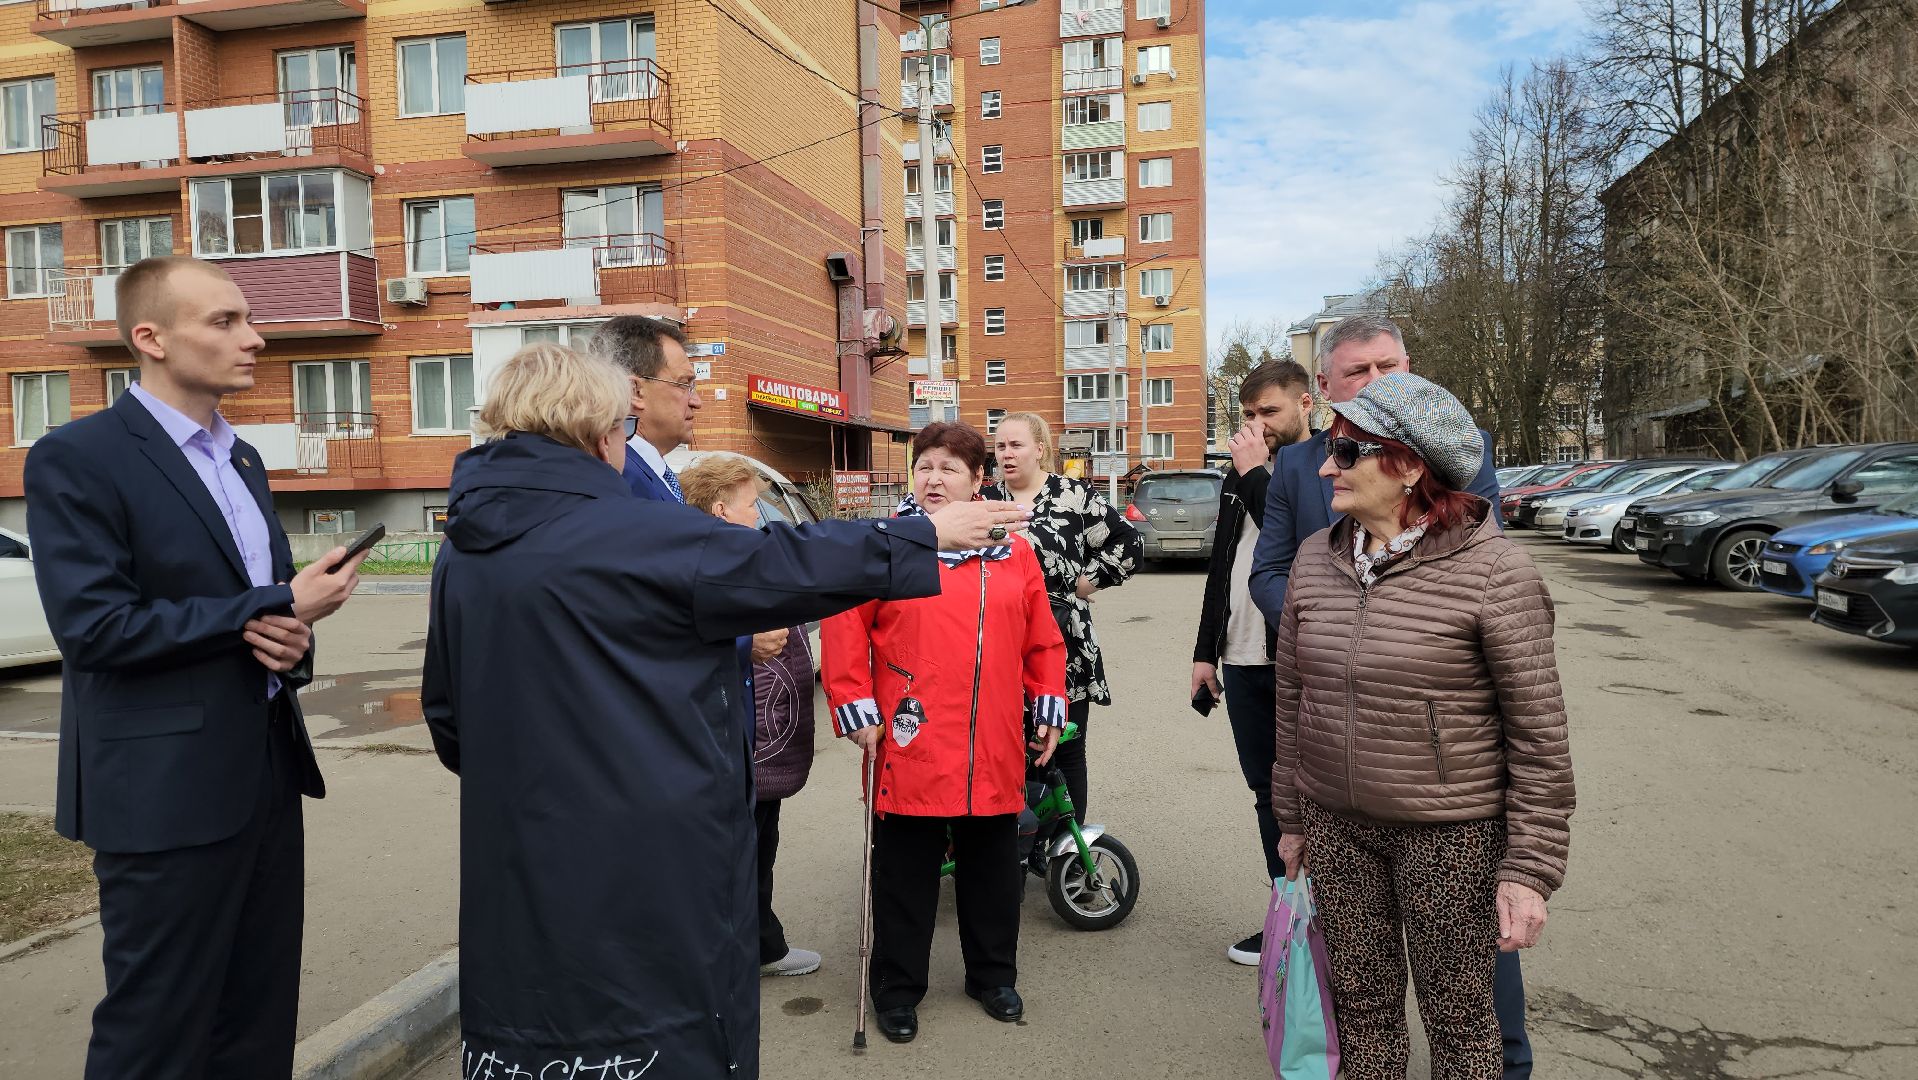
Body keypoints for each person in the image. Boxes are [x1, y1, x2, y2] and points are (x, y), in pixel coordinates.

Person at [420, 347, 1030, 1078]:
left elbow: (450, 716)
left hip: (516, 855)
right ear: (597, 430)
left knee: (539, 1026)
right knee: (660, 1025)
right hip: (646, 851)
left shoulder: (463, 549)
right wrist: (924, 534)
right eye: (623, 420)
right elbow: (785, 562)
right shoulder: (635, 533)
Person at [22, 255, 366, 1079]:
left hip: (265, 774)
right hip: (161, 793)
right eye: (225, 322)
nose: (255, 338)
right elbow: (96, 629)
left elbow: (258, 615)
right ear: (150, 338)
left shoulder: (241, 458)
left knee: (257, 1019)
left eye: (248, 319)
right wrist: (270, 605)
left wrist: (294, 640)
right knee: (159, 1032)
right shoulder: (79, 456)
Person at [1246, 314, 1535, 1078]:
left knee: (1463, 1020)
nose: (1326, 466)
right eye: (1333, 442)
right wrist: (1294, 820)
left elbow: (1536, 732)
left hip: (1447, 828)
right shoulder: (1317, 555)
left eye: (1348, 452)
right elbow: (1294, 700)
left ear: (1410, 467)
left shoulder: (1492, 567)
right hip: (1340, 825)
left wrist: (1528, 867)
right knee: (1363, 1010)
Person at [822, 422, 1068, 1045]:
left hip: (991, 739)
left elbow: (1042, 636)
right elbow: (846, 625)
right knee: (905, 869)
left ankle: (993, 976)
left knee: (993, 866)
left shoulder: (1015, 552)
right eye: (924, 466)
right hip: (912, 735)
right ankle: (897, 988)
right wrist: (853, 702)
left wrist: (1047, 700)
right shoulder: (884, 544)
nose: (933, 479)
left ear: (979, 481)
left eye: (949, 469)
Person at [1188, 358, 1313, 966]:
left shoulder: (1321, 467)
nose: (1258, 424)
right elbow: (1223, 562)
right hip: (1240, 657)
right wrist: (1204, 650)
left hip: (1296, 656)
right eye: (1248, 415)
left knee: (1308, 796)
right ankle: (1288, 918)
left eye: (1270, 412)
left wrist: (1258, 472)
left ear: (1305, 405)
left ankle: (1331, 924)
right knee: (1265, 793)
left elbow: (1308, 541)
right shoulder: (1244, 472)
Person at [678, 454, 822, 979]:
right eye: (752, 505)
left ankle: (760, 943)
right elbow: (684, 641)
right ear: (721, 510)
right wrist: (745, 642)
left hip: (763, 739)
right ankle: (737, 955)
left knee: (761, 842)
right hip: (736, 738)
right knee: (737, 852)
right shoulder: (707, 564)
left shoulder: (740, 558)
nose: (761, 515)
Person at [982, 412, 1140, 822]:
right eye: (1000, 446)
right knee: (1008, 748)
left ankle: (1068, 852)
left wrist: (1088, 582)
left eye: (1016, 445)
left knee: (1067, 748)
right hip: (1001, 642)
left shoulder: (1073, 495)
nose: (1007, 455)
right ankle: (1016, 845)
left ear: (1040, 449)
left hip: (1064, 638)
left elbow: (1128, 541)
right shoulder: (983, 503)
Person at [588, 314, 698, 503]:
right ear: (635, 391)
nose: (696, 401)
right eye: (683, 384)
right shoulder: (623, 477)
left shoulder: (645, 469)